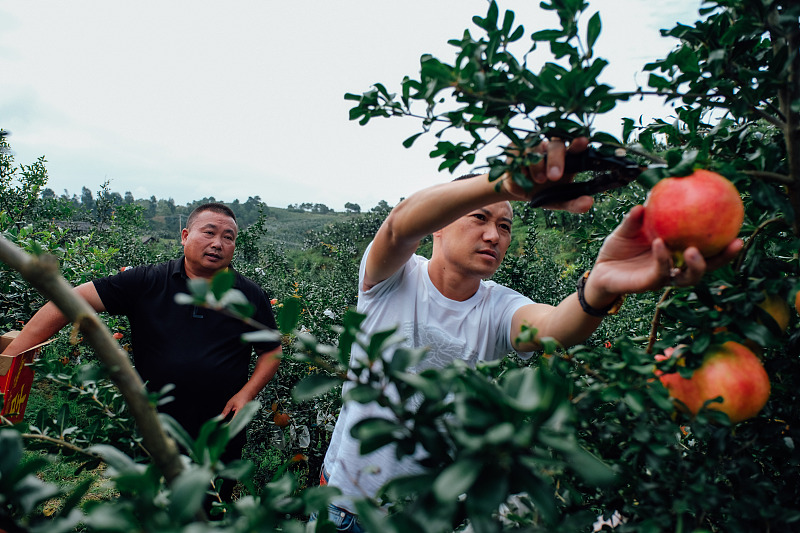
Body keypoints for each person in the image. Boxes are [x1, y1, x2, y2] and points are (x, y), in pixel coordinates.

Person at [318, 138, 743, 530]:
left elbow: (554, 326)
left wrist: (598, 288)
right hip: (346, 507)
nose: (494, 236)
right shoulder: (390, 279)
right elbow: (398, 226)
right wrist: (506, 183)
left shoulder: (497, 306)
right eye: (481, 218)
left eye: (505, 227)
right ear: (441, 226)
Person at [1, 202, 282, 502]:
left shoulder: (249, 295)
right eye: (209, 232)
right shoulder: (148, 281)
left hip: (218, 431)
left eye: (228, 237)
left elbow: (271, 350)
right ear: (185, 236)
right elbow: (65, 301)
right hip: (152, 425)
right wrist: (8, 363)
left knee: (208, 511)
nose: (218, 243)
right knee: (143, 507)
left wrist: (246, 394)